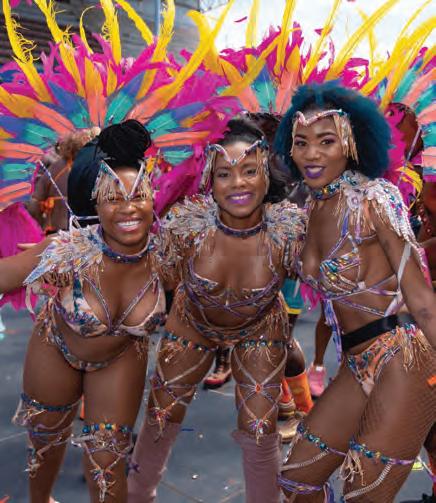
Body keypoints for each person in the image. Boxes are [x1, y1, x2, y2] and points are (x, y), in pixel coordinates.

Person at [128, 117, 306, 503]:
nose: (237, 183)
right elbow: (157, 278)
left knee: (260, 429)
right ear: (210, 178)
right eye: (224, 173)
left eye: (249, 171)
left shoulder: (289, 230)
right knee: (161, 417)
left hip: (261, 326)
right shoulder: (188, 226)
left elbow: (330, 276)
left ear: (266, 173)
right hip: (191, 323)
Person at [274, 82, 436, 501]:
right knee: (297, 478)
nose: (312, 154)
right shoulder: (310, 208)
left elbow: (421, 299)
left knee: (365, 493)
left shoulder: (374, 199)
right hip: (355, 362)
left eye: (326, 141)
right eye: (301, 143)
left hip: (405, 357)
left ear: (350, 143)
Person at [0, 120, 166, 503]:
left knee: (108, 461)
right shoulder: (65, 251)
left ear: (152, 198)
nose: (128, 208)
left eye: (138, 195)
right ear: (95, 203)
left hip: (121, 358)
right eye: (113, 197)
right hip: (56, 348)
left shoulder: (168, 257)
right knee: (45, 443)